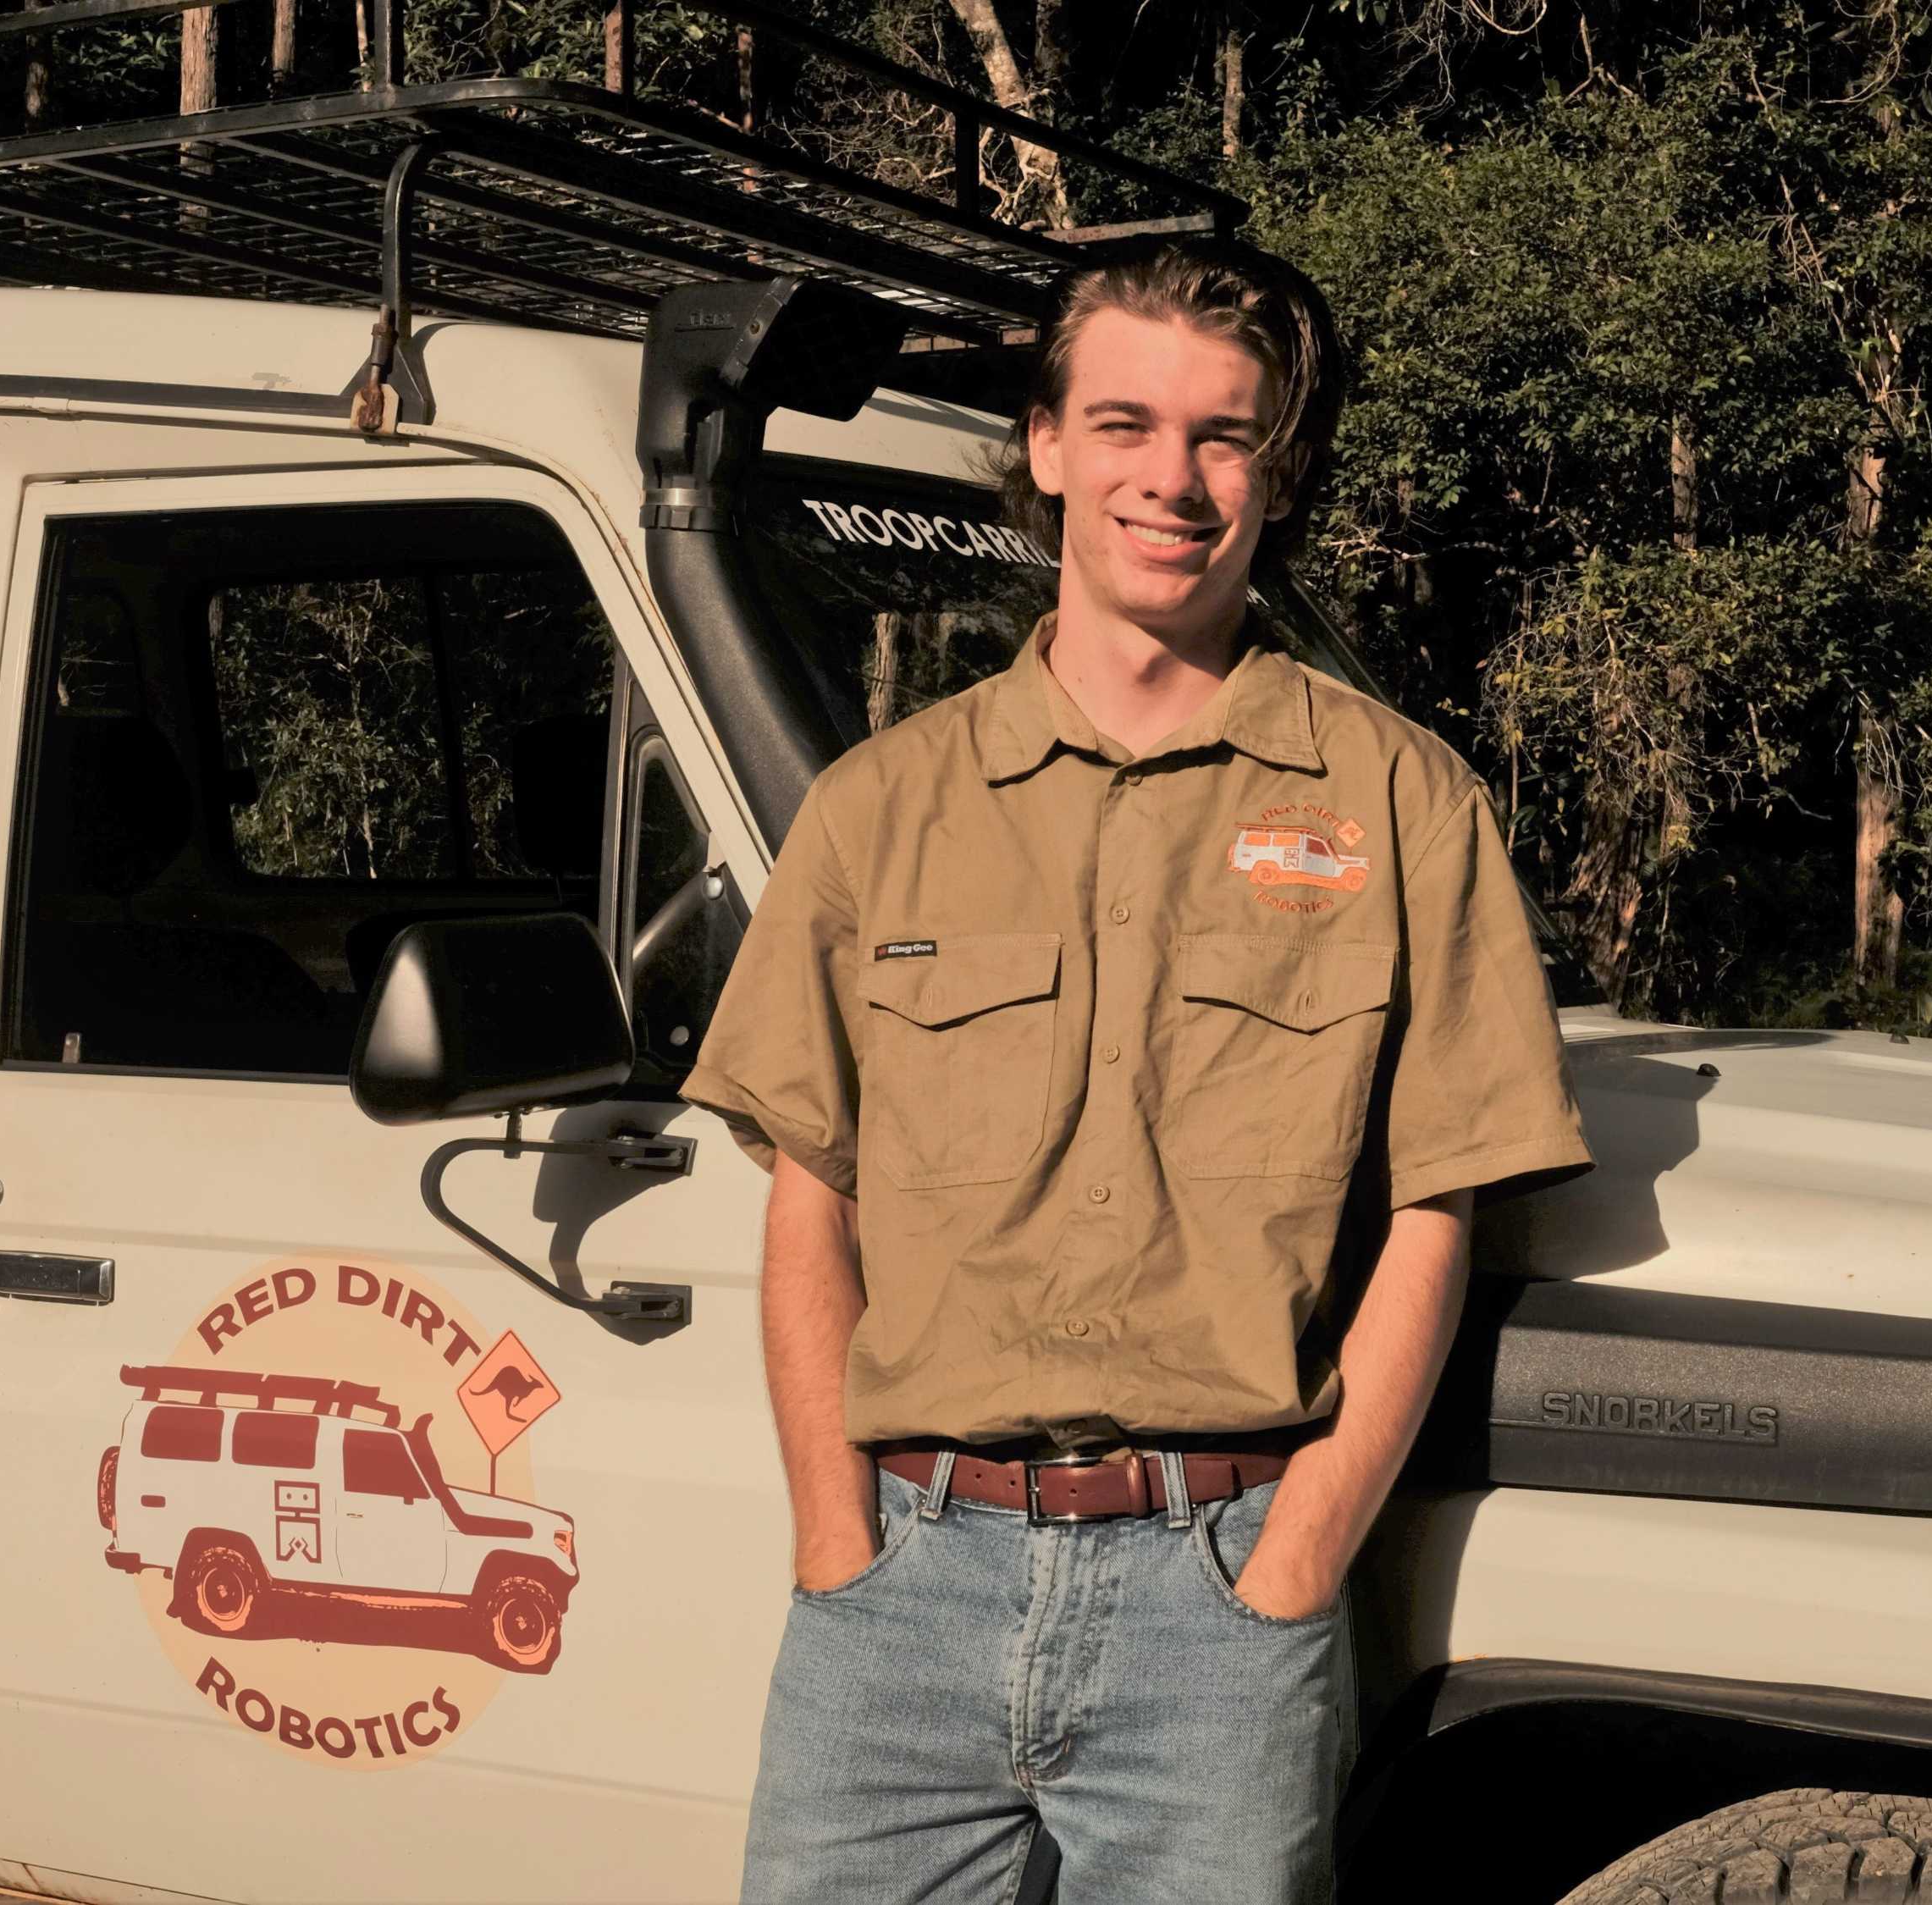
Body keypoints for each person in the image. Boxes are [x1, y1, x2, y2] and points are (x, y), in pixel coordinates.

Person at [680, 239, 1592, 1904]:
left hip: (1218, 1601)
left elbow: (1438, 1216)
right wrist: (836, 1538)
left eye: (1224, 436)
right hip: (900, 1595)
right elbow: (811, 1200)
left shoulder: (1406, 805)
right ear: (1044, 447)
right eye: (1124, 424)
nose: (1170, 479)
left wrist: (1301, 1556)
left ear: (1276, 471)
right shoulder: (881, 811)